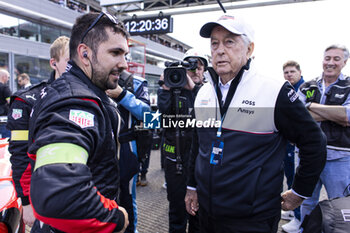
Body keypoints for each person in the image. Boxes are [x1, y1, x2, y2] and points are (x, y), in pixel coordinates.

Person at [185, 15, 327, 233]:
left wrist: (300, 191)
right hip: (206, 212)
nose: (220, 50)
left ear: (249, 49)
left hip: (252, 218)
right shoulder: (203, 91)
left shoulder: (273, 90)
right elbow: (199, 144)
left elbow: (314, 142)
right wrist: (192, 186)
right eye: (214, 43)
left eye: (229, 41)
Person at [27, 12, 129, 232]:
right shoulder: (75, 102)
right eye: (115, 53)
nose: (124, 64)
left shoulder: (76, 92)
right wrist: (114, 218)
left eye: (125, 54)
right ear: (84, 53)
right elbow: (59, 195)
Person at [7, 35, 70, 231]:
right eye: (69, 62)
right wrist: (25, 202)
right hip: (43, 197)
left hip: (79, 196)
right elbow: (19, 155)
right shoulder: (27, 101)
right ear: (54, 63)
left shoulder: (92, 98)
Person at [297, 44, 350, 229]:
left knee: (342, 206)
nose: (330, 62)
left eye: (336, 59)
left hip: (339, 158)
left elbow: (347, 117)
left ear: (344, 62)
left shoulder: (349, 86)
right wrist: (333, 113)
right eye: (327, 58)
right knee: (305, 202)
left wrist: (311, 107)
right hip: (307, 156)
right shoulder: (307, 86)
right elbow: (296, 115)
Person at [158, 48, 208, 233]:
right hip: (175, 161)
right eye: (191, 66)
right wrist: (166, 87)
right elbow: (162, 117)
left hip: (199, 163)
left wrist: (193, 90)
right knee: (177, 212)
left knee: (198, 215)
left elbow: (209, 118)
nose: (195, 71)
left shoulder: (208, 91)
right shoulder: (173, 87)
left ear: (205, 70)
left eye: (199, 66)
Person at [106, 70, 150, 233]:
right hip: (100, 147)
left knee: (127, 197)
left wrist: (122, 95)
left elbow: (151, 117)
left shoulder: (136, 82)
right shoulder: (93, 77)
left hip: (126, 147)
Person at [281, 60, 305, 232]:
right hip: (288, 143)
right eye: (286, 72)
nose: (289, 75)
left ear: (299, 72)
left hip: (299, 143)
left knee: (297, 180)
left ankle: (299, 218)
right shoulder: (286, 89)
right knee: (290, 178)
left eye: (292, 71)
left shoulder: (304, 89)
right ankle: (292, 212)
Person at [0, 69, 11, 138]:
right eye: (8, 77)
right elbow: (10, 101)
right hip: (3, 119)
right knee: (5, 141)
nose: (8, 79)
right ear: (4, 77)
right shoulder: (4, 88)